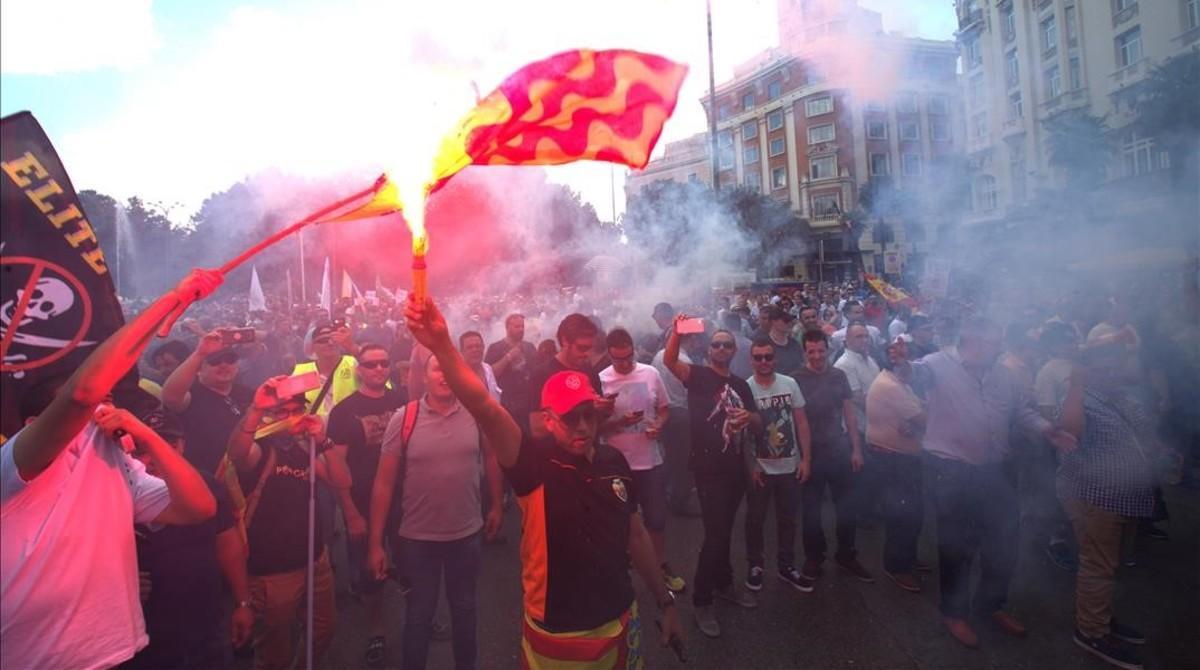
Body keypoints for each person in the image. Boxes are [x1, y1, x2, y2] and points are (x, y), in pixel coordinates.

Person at [402, 296, 684, 667]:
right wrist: (440, 344)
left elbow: (636, 535)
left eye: (587, 414)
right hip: (558, 631)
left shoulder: (613, 461)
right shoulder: (531, 463)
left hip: (619, 620)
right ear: (549, 420)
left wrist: (665, 603)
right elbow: (484, 407)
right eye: (569, 418)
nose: (581, 426)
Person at [1, 269, 221, 670]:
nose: (101, 407)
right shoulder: (14, 463)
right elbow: (82, 392)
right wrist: (171, 299)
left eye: (107, 400)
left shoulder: (117, 464)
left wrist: (148, 436)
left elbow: (199, 507)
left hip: (118, 650)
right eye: (87, 410)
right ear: (36, 423)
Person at [895, 318, 1077, 648]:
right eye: (993, 342)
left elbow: (1021, 410)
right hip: (951, 471)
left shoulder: (1002, 373)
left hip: (996, 470)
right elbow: (911, 374)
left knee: (1004, 543)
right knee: (956, 547)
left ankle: (990, 605)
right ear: (972, 341)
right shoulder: (937, 363)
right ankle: (954, 613)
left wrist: (1046, 429)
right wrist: (901, 363)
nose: (999, 348)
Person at [367, 354, 504, 670]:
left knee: (465, 611)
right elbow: (383, 484)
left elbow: (492, 458)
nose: (444, 375)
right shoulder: (404, 418)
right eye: (436, 368)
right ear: (424, 377)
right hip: (417, 540)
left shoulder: (476, 414)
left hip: (466, 534)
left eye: (450, 368)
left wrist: (496, 504)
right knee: (418, 616)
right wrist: (375, 544)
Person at [225, 378, 352, 670]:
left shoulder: (304, 449)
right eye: (283, 411)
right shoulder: (261, 447)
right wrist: (256, 411)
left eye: (297, 410)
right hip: (271, 571)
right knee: (274, 652)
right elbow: (237, 453)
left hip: (314, 558)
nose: (292, 417)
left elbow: (343, 481)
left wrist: (323, 442)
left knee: (323, 630)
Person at [126, 408, 254, 670]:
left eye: (167, 445)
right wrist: (121, 583)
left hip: (206, 625)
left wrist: (242, 602)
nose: (154, 458)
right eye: (142, 449)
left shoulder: (206, 487)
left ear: (183, 445)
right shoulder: (117, 493)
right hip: (144, 636)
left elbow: (228, 545)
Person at [1058, 345, 1158, 670]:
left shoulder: (1122, 399)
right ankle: (1090, 632)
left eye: (1116, 366)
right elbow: (1068, 432)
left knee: (1112, 565)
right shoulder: (1080, 400)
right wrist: (1075, 384)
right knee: (1098, 566)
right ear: (1089, 372)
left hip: (1128, 497)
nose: (1113, 373)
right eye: (1104, 368)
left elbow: (1145, 433)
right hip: (1096, 497)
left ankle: (1101, 617)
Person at [663, 318, 762, 638]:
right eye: (716, 344)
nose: (721, 348)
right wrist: (677, 333)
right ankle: (702, 600)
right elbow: (669, 361)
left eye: (727, 344)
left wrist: (751, 417)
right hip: (708, 470)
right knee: (716, 534)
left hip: (735, 469)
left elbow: (759, 423)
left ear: (735, 351)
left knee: (724, 530)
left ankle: (724, 584)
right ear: (709, 349)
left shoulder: (743, 385)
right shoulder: (699, 376)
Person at [326, 344, 406, 667]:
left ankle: (421, 618)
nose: (378, 369)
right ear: (358, 369)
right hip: (361, 500)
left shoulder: (401, 401)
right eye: (370, 364)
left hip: (404, 500)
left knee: (411, 563)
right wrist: (350, 512)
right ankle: (376, 630)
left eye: (384, 363)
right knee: (370, 572)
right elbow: (336, 466)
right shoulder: (343, 411)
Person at [598, 328, 684, 594]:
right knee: (617, 521)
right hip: (616, 463)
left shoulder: (650, 373)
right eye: (617, 360)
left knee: (656, 518)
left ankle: (660, 566)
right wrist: (619, 421)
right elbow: (595, 427)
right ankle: (618, 572)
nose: (623, 364)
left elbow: (664, 409)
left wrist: (658, 425)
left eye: (628, 357)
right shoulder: (601, 379)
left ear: (633, 350)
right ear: (609, 355)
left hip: (650, 460)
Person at [793, 330, 872, 583]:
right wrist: (803, 459)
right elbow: (797, 420)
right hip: (811, 454)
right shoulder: (795, 379)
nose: (817, 356)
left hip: (839, 450)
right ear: (804, 352)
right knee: (811, 511)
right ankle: (814, 557)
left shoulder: (839, 375)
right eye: (811, 351)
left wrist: (856, 449)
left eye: (821, 351)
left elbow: (848, 414)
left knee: (847, 507)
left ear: (827, 350)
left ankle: (846, 555)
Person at [743, 338, 814, 594]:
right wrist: (750, 465)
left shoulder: (789, 383)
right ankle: (755, 566)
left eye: (768, 357)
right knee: (755, 520)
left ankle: (786, 566)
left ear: (775, 359)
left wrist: (806, 460)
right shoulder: (746, 389)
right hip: (760, 468)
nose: (764, 362)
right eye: (758, 357)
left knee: (788, 520)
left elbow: (802, 423)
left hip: (789, 466)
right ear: (751, 360)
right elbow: (742, 434)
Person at [864, 339, 927, 593]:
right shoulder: (890, 385)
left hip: (903, 457)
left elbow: (919, 412)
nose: (909, 362)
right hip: (893, 459)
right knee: (902, 514)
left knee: (913, 513)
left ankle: (908, 558)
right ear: (892, 362)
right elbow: (924, 417)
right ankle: (896, 566)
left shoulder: (900, 382)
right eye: (904, 358)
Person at [162, 331, 255, 475]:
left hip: (245, 478)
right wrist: (200, 353)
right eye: (215, 361)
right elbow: (170, 398)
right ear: (199, 370)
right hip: (206, 479)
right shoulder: (192, 394)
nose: (223, 365)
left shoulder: (247, 393)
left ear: (237, 366)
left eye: (230, 360)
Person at [528, 314, 615, 437]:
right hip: (556, 454)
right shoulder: (541, 375)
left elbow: (596, 423)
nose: (588, 354)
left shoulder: (589, 371)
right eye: (582, 348)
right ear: (565, 341)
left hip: (589, 452)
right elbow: (536, 428)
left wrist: (604, 410)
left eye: (590, 348)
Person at [485, 313, 538, 433]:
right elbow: (489, 374)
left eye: (522, 326)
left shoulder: (529, 347)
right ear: (507, 328)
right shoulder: (495, 348)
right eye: (517, 326)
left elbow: (537, 373)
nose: (521, 329)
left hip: (528, 405)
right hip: (506, 405)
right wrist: (508, 357)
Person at [293, 320, 360, 416]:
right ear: (312, 347)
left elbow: (380, 386)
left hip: (349, 429)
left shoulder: (353, 363)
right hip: (312, 429)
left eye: (333, 339)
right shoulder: (301, 371)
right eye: (322, 340)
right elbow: (290, 407)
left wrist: (354, 348)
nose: (330, 343)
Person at [834, 323, 881, 433]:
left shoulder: (870, 360)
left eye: (866, 336)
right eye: (859, 337)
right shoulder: (844, 364)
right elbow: (858, 398)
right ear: (847, 340)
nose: (864, 340)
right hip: (858, 429)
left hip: (874, 426)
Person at [460, 330, 502, 402]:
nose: (475, 350)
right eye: (470, 347)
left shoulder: (488, 369)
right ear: (462, 351)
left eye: (478, 346)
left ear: (483, 348)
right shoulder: (457, 375)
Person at [764, 305, 805, 374]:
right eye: (785, 321)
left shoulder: (794, 343)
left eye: (790, 320)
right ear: (774, 322)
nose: (789, 323)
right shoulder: (764, 344)